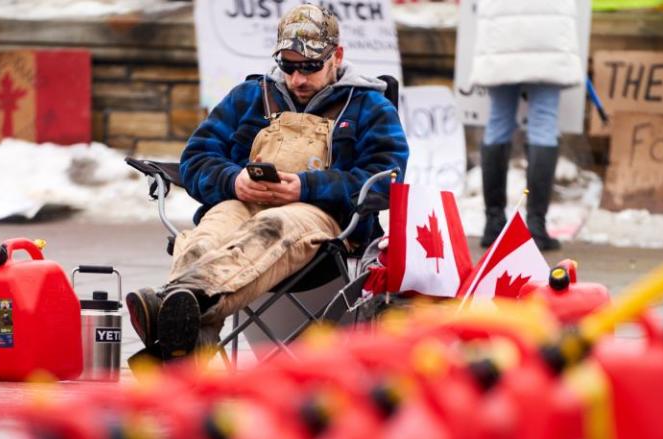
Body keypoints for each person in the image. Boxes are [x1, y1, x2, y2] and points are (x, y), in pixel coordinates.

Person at [126, 3, 409, 360]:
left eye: (310, 66)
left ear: (337, 56)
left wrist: (306, 187)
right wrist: (233, 180)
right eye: (288, 67)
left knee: (272, 224)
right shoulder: (248, 97)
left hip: (322, 220)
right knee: (208, 236)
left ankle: (169, 315)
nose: (298, 79)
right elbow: (196, 158)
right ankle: (185, 335)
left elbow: (388, 177)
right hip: (242, 201)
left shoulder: (370, 105)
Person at [470, 0, 582, 251]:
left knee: (498, 120)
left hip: (500, 26)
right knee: (544, 123)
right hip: (549, 28)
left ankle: (494, 223)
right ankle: (536, 226)